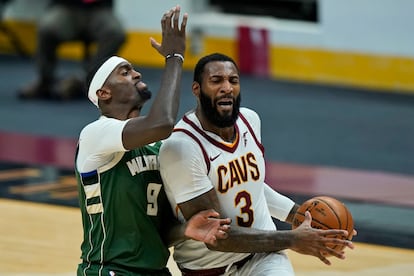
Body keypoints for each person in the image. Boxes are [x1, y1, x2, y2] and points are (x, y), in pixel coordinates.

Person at [159, 53, 356, 275]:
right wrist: (293, 239)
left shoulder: (250, 121)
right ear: (196, 89)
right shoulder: (182, 148)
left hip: (264, 256)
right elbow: (217, 237)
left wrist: (305, 219)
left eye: (233, 80)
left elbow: (252, 187)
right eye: (216, 81)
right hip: (209, 269)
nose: (227, 87)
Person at [75, 8, 231, 276]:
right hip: (109, 270)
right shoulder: (94, 135)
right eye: (124, 72)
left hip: (157, 270)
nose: (136, 74)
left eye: (133, 70)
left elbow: (157, 228)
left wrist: (186, 229)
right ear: (104, 93)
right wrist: (174, 57)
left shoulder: (160, 148)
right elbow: (161, 123)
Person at [18, 0, 126, 100]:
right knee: (47, 28)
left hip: (99, 8)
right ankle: (45, 80)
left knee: (115, 33)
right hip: (66, 6)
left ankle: (88, 79)